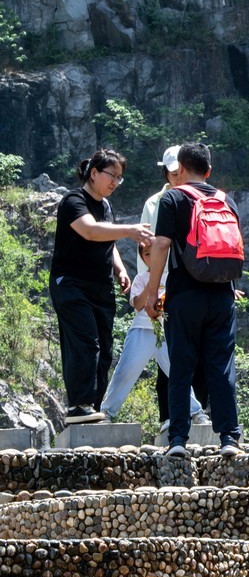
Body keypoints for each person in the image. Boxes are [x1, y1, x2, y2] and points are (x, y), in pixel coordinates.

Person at [142, 142, 243, 457]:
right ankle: (229, 438)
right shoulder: (227, 201)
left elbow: (160, 246)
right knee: (221, 366)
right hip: (223, 295)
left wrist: (153, 292)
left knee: (181, 366)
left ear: (180, 169)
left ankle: (178, 442)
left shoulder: (173, 197)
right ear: (209, 171)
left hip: (185, 295)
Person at [50, 149, 153, 424]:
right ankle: (78, 406)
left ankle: (92, 408)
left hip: (100, 286)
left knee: (104, 348)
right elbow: (90, 230)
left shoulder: (105, 206)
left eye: (120, 178)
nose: (115, 183)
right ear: (93, 173)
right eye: (112, 175)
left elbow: (107, 240)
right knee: (85, 341)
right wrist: (130, 230)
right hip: (71, 284)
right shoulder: (73, 201)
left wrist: (119, 269)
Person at [141, 145, 209, 433]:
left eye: (178, 170)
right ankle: (169, 417)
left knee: (201, 352)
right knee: (169, 354)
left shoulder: (201, 197)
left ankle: (202, 412)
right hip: (168, 282)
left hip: (195, 282)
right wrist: (150, 288)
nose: (175, 175)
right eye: (170, 171)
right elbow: (148, 246)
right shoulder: (155, 202)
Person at [99, 242, 205, 423]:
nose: (152, 257)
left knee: (177, 371)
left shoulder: (172, 277)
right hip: (141, 330)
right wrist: (152, 284)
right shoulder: (140, 278)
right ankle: (107, 411)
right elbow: (138, 304)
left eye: (155, 253)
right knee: (126, 370)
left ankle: (195, 412)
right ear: (143, 258)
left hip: (166, 332)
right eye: (147, 254)